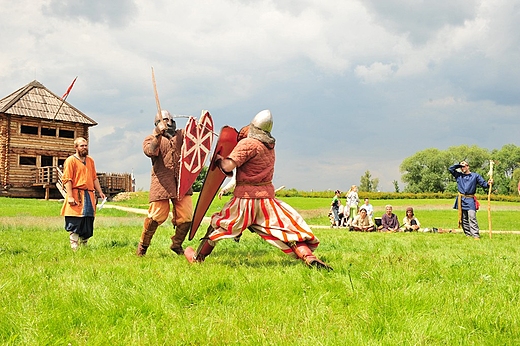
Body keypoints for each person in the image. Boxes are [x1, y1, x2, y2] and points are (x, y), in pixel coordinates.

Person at [184, 110, 332, 270]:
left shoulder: (248, 144)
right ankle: (308, 257)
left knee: (218, 223)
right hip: (266, 201)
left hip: (245, 200)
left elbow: (228, 166)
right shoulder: (269, 147)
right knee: (284, 230)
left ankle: (198, 257)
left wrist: (219, 159)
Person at [136, 110, 193, 256]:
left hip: (182, 181)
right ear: (157, 123)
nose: (168, 122)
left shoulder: (181, 135)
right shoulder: (150, 138)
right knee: (156, 216)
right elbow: (150, 151)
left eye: (170, 120)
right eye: (164, 120)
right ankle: (143, 247)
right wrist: (157, 134)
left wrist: (196, 125)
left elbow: (195, 140)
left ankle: (176, 244)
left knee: (186, 216)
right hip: (162, 182)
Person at [61, 137, 106, 250]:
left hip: (89, 195)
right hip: (76, 194)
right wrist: (70, 196)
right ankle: (74, 248)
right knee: (75, 220)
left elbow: (94, 178)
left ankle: (84, 247)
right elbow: (67, 179)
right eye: (82, 145)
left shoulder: (90, 161)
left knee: (87, 221)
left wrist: (100, 192)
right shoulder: (71, 160)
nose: (85, 147)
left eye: (86, 145)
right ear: (76, 147)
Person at [449, 160, 492, 239]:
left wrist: (489, 184)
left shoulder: (475, 176)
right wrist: (459, 165)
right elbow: (450, 169)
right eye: (461, 167)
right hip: (461, 199)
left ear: (468, 166)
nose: (463, 168)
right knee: (463, 219)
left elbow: (484, 184)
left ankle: (475, 235)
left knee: (472, 216)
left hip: (470, 199)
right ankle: (468, 234)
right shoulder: (458, 175)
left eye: (464, 166)